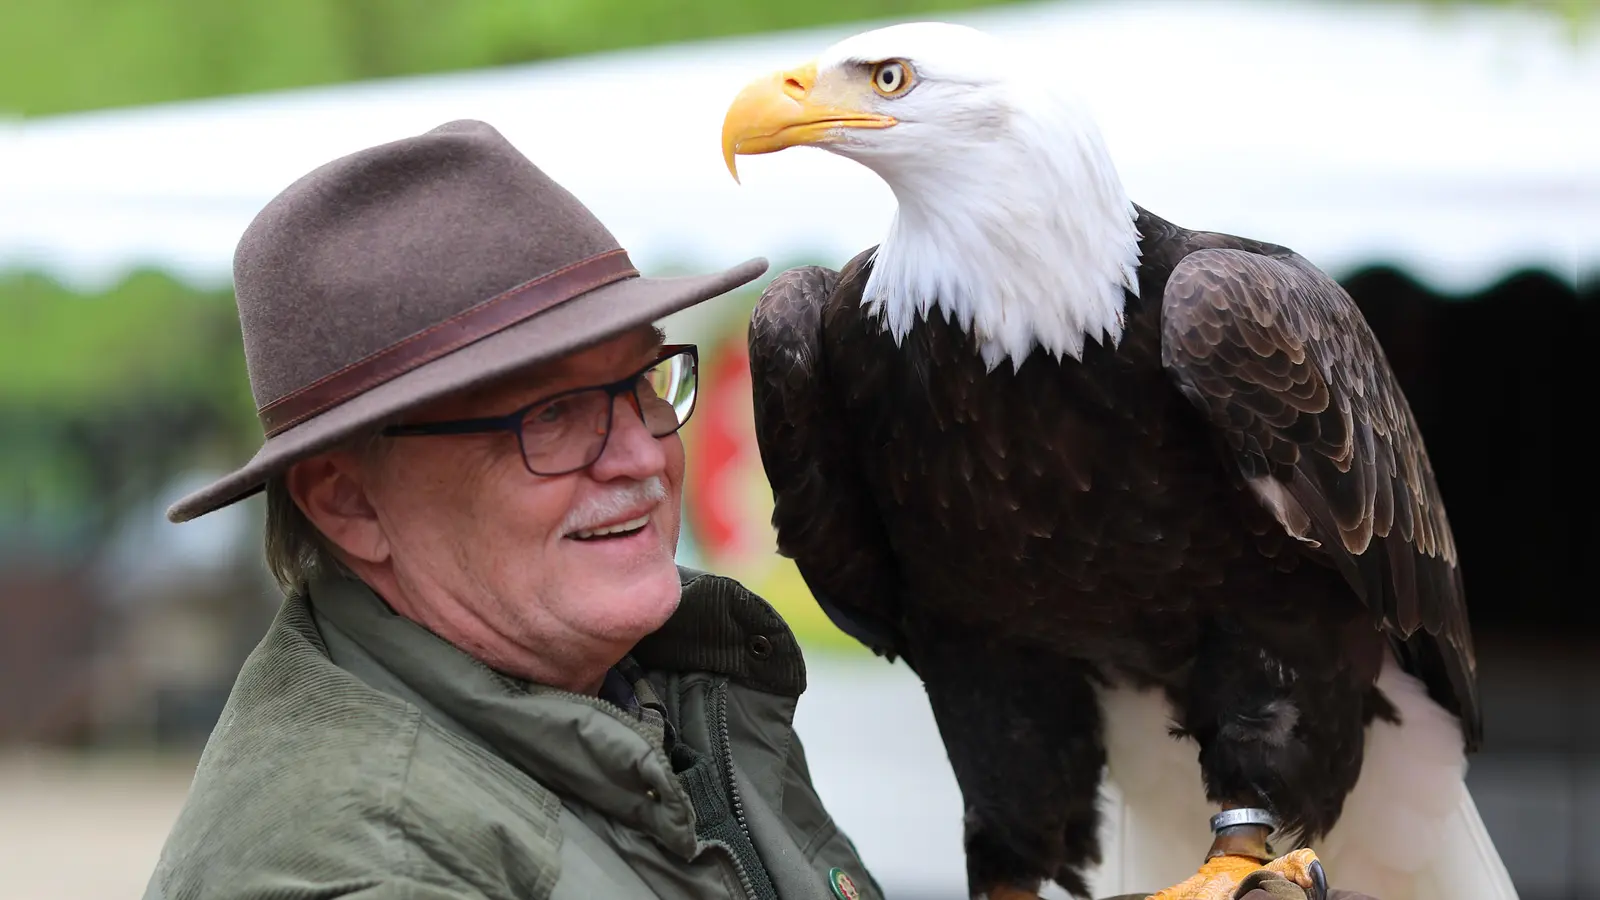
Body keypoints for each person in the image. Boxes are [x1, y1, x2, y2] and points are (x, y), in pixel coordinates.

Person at [144, 119, 1340, 900]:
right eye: (548, 418)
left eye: (636, 382)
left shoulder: (649, 690)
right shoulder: (352, 864)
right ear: (347, 500)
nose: (635, 456)